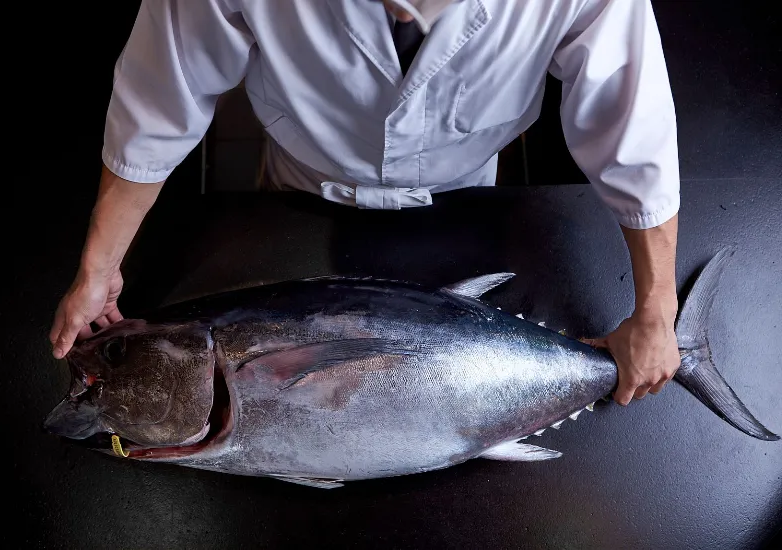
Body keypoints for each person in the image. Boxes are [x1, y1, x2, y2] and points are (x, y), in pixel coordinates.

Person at [50, 0, 681, 407]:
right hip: (303, 185)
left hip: (464, 192)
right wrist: (98, 267)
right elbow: (161, 100)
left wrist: (655, 307)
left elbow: (633, 124)